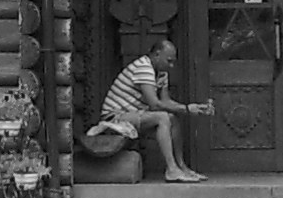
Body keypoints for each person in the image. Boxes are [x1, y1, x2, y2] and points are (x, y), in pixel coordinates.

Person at [85, 36, 212, 181]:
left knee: (172, 119)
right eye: (168, 61)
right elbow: (155, 104)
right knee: (162, 117)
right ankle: (171, 170)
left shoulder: (161, 72)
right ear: (157, 54)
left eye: (173, 62)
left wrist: (191, 107)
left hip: (134, 115)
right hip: (115, 118)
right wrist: (187, 109)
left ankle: (181, 167)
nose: (171, 66)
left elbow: (165, 101)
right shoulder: (143, 67)